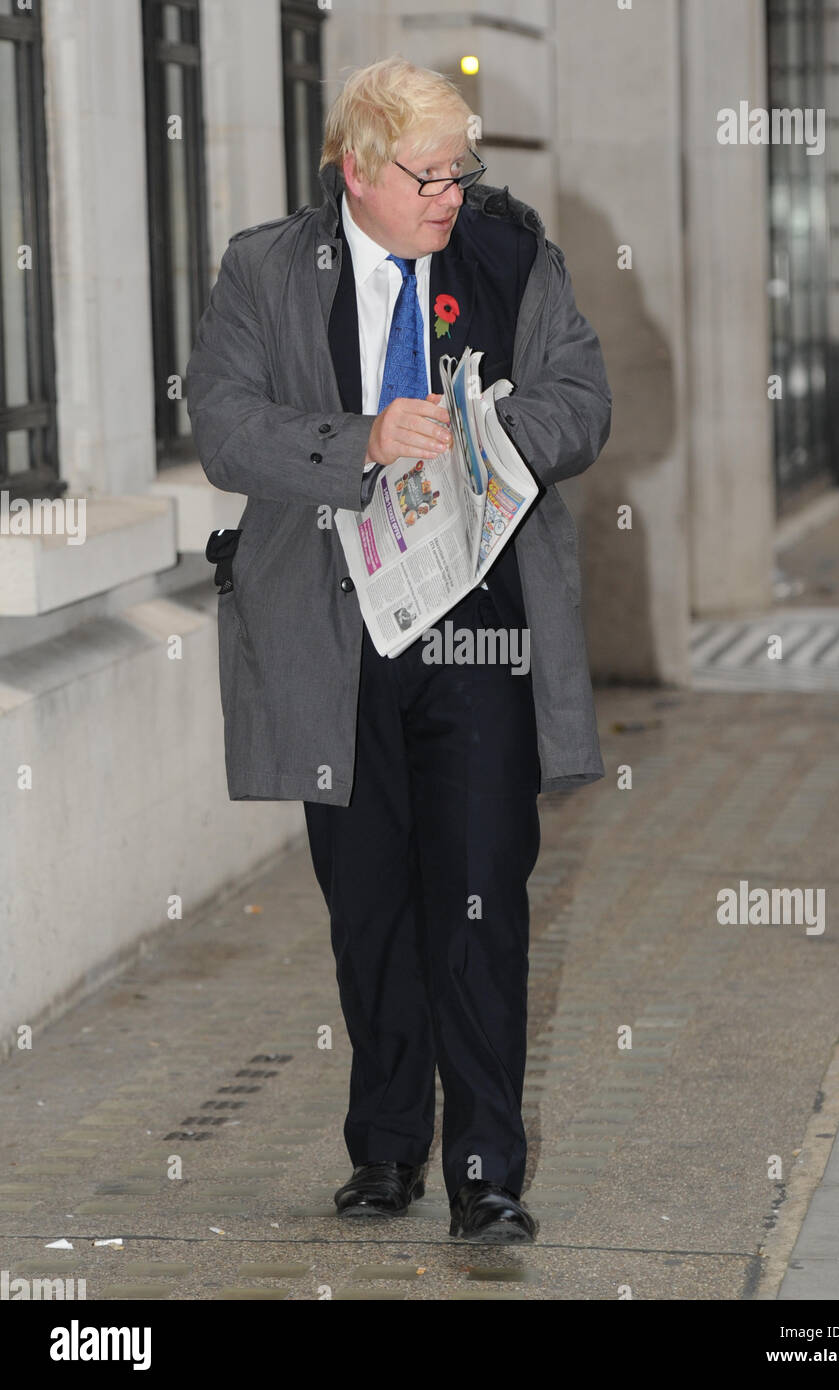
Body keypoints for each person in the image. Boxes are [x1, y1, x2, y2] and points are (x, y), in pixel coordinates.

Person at [186, 54, 611, 1243]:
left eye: (463, 170)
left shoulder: (512, 256)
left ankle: (485, 1167)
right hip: (333, 635)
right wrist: (362, 438)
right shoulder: (263, 270)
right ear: (357, 170)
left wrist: (484, 432)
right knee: (367, 900)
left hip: (479, 627)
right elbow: (222, 424)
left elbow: (583, 399)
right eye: (430, 175)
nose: (452, 196)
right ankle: (383, 1150)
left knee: (479, 892)